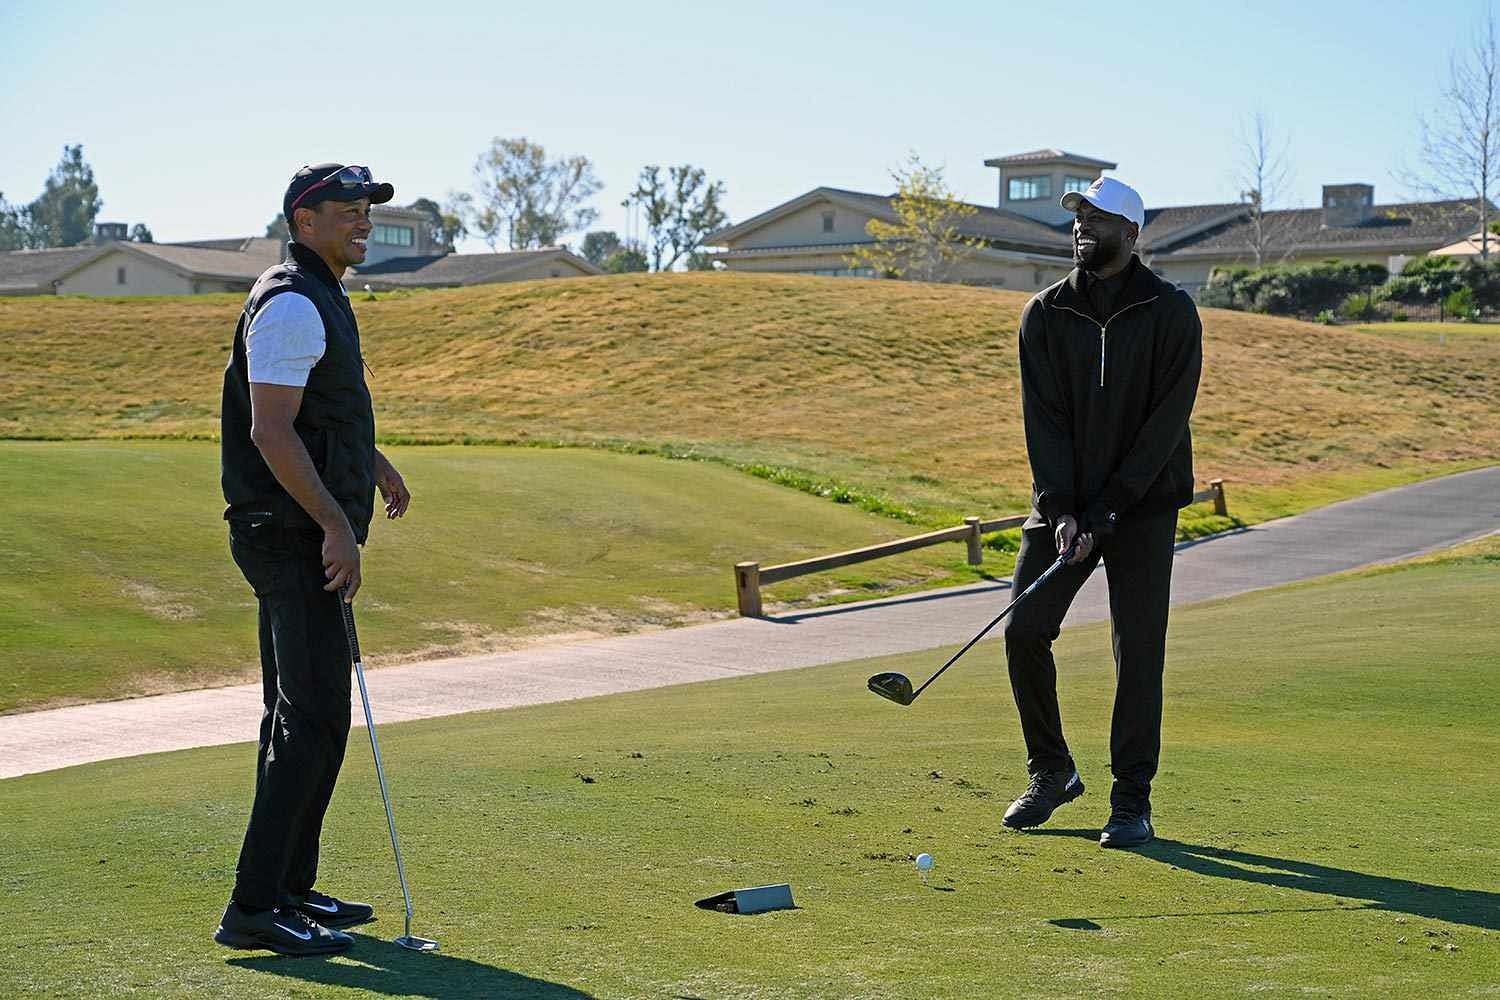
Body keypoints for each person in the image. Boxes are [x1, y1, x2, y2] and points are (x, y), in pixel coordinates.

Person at [214, 164, 412, 955]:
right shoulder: (293, 301)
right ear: (305, 218)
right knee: (312, 718)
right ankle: (255, 907)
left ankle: (290, 890)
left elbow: (321, 413)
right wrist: (335, 524)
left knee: (303, 717)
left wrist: (372, 460)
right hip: (289, 535)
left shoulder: (319, 291)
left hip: (295, 528)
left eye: (367, 209)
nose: (362, 220)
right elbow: (271, 430)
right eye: (347, 210)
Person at [1000, 176, 1203, 849]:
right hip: (1066, 504)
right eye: (1078, 215)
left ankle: (1131, 801)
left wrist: (1111, 508)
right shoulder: (1045, 314)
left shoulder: (1172, 313)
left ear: (1132, 232)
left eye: (1098, 216)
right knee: (1024, 628)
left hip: (1143, 507)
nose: (1083, 225)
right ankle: (1052, 770)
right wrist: (1060, 508)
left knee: (1138, 650)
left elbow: (1163, 426)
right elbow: (1045, 422)